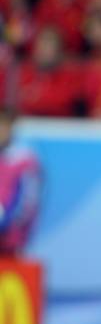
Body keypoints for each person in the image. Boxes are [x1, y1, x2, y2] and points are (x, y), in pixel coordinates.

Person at [0, 107, 41, 256]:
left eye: (3, 126)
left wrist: (6, 223)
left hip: (10, 240)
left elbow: (28, 202)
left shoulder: (24, 159)